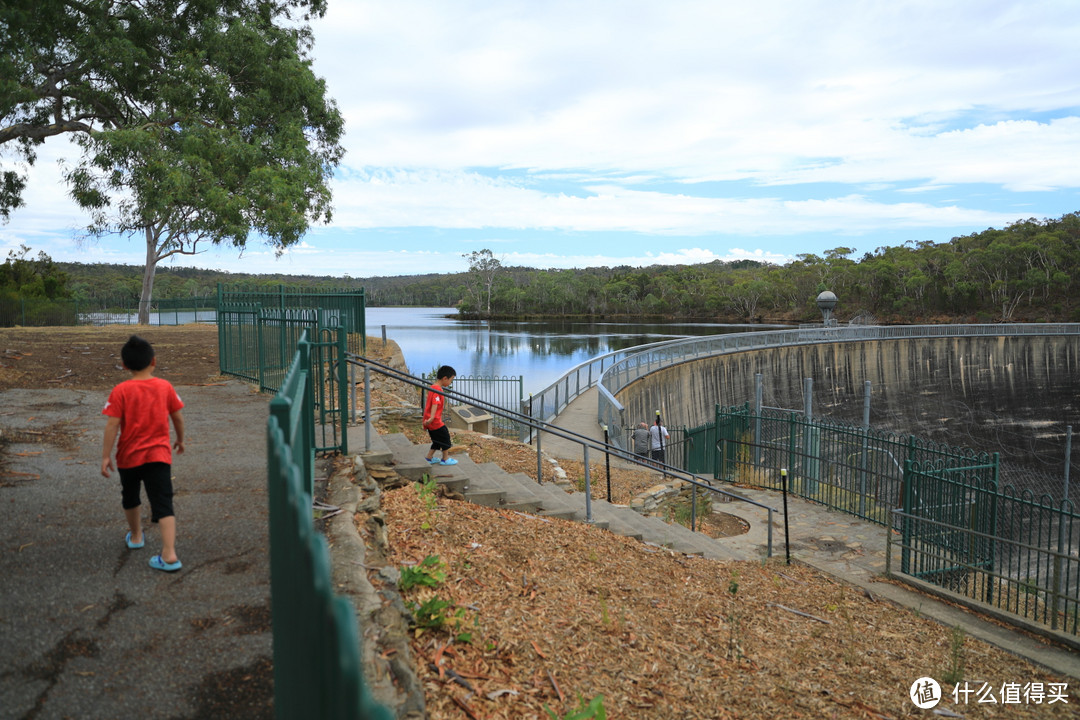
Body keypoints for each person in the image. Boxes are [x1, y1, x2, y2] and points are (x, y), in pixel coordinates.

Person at [101, 335, 186, 573]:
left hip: (129, 457)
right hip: (158, 456)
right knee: (163, 502)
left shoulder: (120, 390)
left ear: (125, 365)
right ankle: (169, 554)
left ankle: (137, 536)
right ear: (154, 361)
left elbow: (112, 425)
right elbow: (177, 416)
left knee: (130, 496)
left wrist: (105, 456)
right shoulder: (165, 387)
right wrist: (179, 439)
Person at [423, 365, 458, 466]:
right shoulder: (437, 390)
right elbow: (435, 403)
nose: (450, 382)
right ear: (445, 378)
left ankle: (429, 458)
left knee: (437, 441)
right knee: (445, 438)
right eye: (451, 380)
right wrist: (432, 417)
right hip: (435, 421)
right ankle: (445, 459)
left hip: (430, 421)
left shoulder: (433, 387)